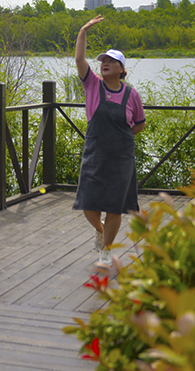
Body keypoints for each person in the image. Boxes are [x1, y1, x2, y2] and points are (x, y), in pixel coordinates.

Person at [72, 15, 145, 272]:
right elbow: (80, 59)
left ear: (121, 69)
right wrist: (84, 30)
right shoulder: (92, 85)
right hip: (95, 154)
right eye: (102, 61)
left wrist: (120, 141)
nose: (104, 64)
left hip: (122, 158)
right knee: (88, 204)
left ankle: (105, 251)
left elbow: (139, 123)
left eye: (111, 62)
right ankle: (100, 231)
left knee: (115, 207)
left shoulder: (131, 94)